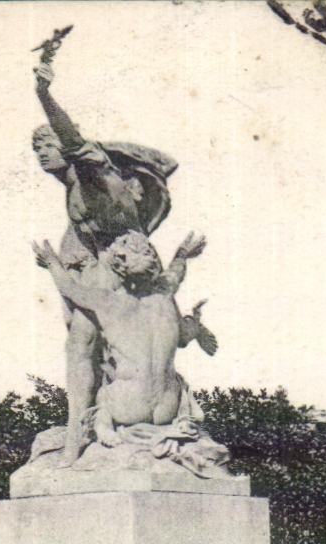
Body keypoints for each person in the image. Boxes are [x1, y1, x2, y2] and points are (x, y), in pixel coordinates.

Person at [31, 42, 204, 464]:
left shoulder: (97, 175)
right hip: (100, 263)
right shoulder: (76, 186)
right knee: (85, 343)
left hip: (123, 263)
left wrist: (44, 95)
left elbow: (73, 139)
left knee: (82, 342)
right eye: (37, 150)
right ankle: (87, 423)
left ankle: (76, 435)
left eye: (45, 146)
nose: (41, 156)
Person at [32, 231, 210, 455]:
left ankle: (101, 424)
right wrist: (183, 253)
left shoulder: (106, 302)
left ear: (116, 267)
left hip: (128, 408)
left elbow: (69, 288)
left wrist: (50, 261)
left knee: (103, 389)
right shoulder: (165, 297)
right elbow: (176, 272)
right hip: (167, 408)